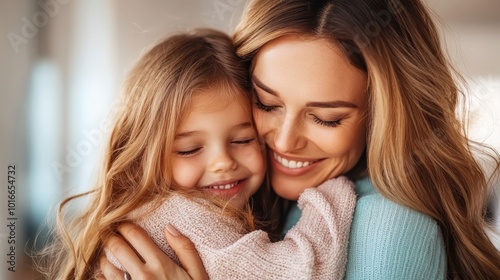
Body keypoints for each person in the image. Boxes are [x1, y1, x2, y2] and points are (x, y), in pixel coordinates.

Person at [98, 0, 500, 279]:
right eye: (266, 103)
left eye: (326, 118)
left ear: (385, 117)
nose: (285, 141)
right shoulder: (246, 200)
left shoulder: (388, 230)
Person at [37, 28, 357, 280]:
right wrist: (334, 190)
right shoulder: (185, 219)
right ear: (141, 158)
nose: (223, 162)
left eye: (244, 140)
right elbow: (305, 272)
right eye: (189, 149)